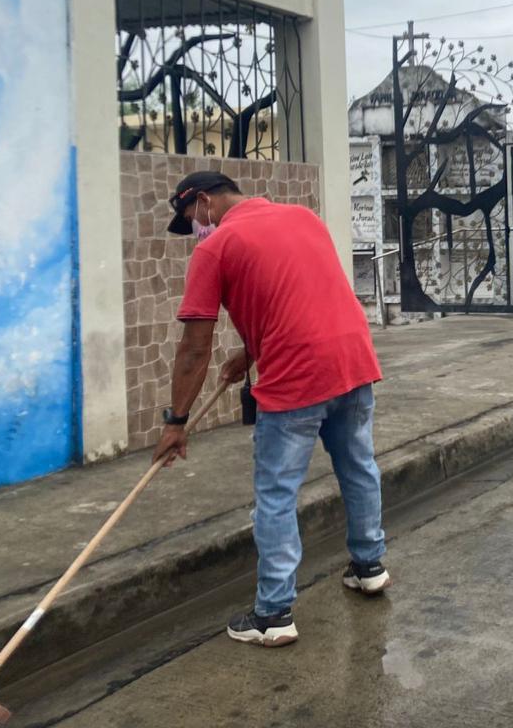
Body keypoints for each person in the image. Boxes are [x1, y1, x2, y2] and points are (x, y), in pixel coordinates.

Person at [153, 171, 389, 647]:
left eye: (191, 218)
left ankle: (273, 614)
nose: (195, 229)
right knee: (359, 466)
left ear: (203, 201)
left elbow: (194, 348)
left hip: (296, 379)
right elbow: (300, 299)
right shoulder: (303, 218)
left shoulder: (215, 247)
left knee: (276, 494)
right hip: (352, 361)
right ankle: (370, 567)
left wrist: (176, 422)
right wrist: (250, 354)